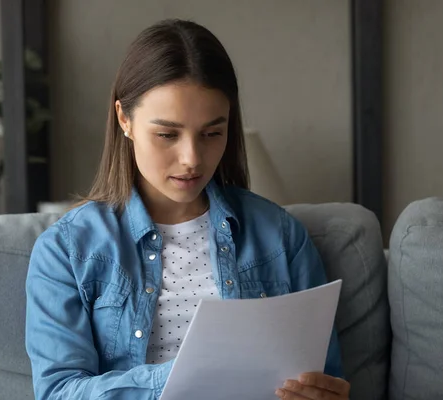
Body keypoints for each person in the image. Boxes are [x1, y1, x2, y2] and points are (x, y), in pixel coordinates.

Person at [25, 19, 350, 400]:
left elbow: (325, 377)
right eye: (167, 134)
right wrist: (193, 377)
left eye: (213, 133)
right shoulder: (67, 250)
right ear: (124, 119)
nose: (192, 159)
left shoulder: (281, 237)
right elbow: (59, 392)